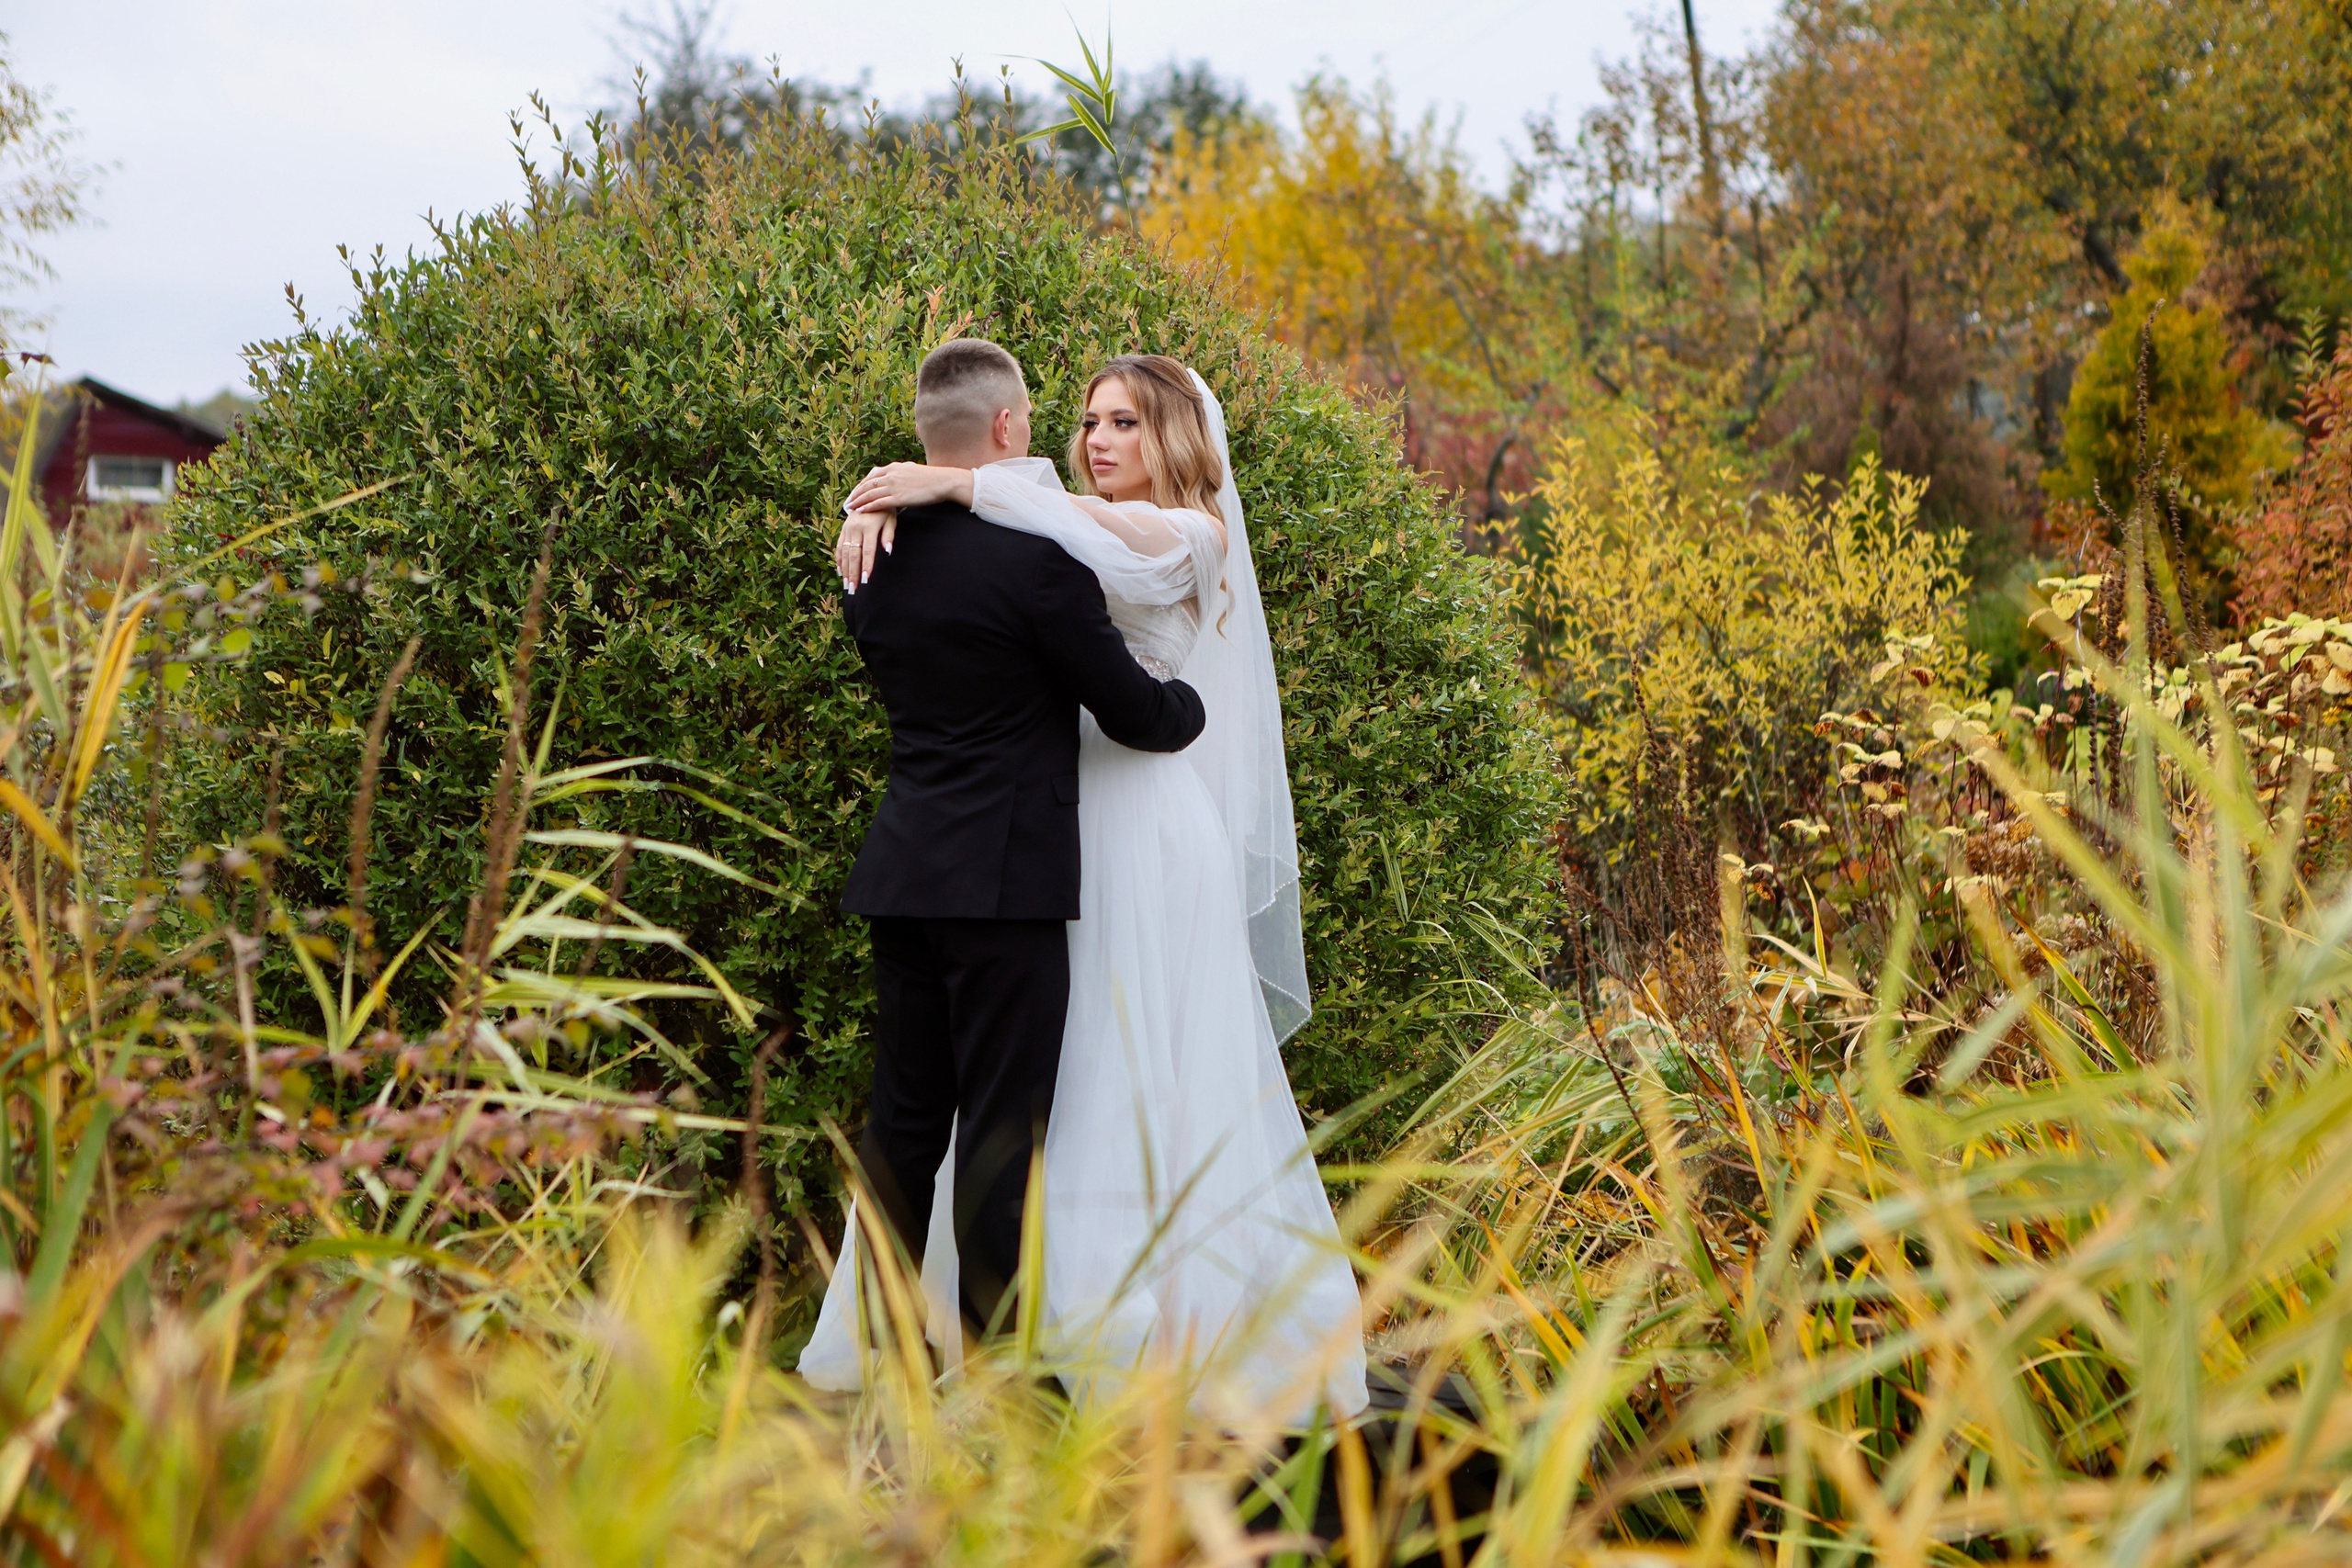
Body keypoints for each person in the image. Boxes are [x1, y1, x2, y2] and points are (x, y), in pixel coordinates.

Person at [803, 351, 1368, 1423]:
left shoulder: (1188, 535)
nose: (1100, 441)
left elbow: (1081, 538)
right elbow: (1024, 560)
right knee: (1033, 1097)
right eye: (1091, 422)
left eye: (1127, 425)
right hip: (1044, 836)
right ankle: (1019, 1340)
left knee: (1135, 1065)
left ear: (1177, 443)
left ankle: (1149, 1327)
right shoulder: (1040, 536)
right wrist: (905, 490)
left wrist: (947, 481)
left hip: (1147, 828)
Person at [820, 338, 1207, 1343]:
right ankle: (996, 1382)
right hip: (1009, 884)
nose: (1071, 437)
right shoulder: (1040, 564)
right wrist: (1188, 713)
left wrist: (877, 505)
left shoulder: (870, 559)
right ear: (1005, 428)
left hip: (905, 870)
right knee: (1001, 1135)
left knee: (902, 1126)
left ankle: (891, 1360)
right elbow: (1130, 711)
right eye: (1054, 419)